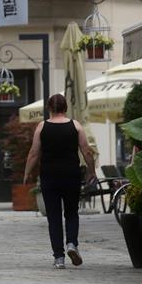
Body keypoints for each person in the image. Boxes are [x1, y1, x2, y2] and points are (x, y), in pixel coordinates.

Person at [23, 94, 96, 269]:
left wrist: (27, 173)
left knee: (54, 217)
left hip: (49, 176)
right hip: (71, 174)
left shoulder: (42, 127)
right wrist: (91, 171)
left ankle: (59, 258)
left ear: (49, 108)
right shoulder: (76, 126)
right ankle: (71, 243)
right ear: (65, 108)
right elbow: (86, 151)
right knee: (71, 212)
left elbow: (34, 153)